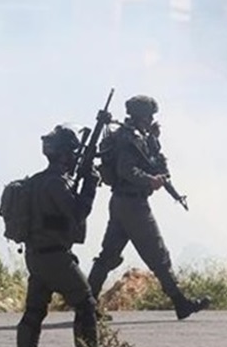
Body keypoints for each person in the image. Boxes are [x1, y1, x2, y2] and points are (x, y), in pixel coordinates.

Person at [88, 95, 210, 320]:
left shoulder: (134, 136)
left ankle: (86, 305)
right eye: (150, 116)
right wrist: (149, 180)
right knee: (158, 254)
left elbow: (155, 163)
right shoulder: (129, 138)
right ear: (141, 116)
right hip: (133, 204)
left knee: (108, 256)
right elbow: (126, 170)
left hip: (121, 202)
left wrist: (154, 140)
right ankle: (180, 302)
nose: (152, 119)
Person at [8, 125, 100, 347]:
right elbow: (78, 213)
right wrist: (90, 184)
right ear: (64, 154)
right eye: (71, 153)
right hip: (56, 258)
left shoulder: (37, 181)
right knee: (86, 304)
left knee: (34, 312)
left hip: (36, 257)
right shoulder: (56, 183)